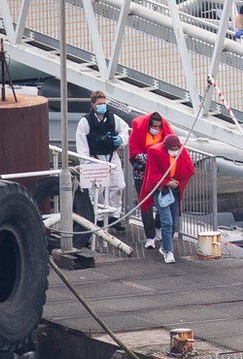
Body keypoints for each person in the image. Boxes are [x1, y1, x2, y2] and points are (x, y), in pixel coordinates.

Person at [75, 91, 129, 231]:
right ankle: (98, 218)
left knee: (118, 185)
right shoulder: (85, 121)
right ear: (93, 105)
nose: (103, 106)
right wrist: (86, 162)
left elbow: (125, 130)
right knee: (95, 191)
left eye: (104, 103)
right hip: (94, 157)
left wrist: (121, 140)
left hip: (111, 156)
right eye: (100, 104)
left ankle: (114, 215)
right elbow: (81, 144)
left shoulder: (112, 118)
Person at [140, 135, 194, 264]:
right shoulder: (155, 152)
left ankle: (165, 244)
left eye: (176, 148)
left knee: (174, 222)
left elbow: (188, 169)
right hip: (160, 190)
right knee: (167, 221)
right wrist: (166, 182)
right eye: (172, 149)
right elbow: (153, 173)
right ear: (166, 147)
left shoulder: (181, 152)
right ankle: (168, 251)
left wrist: (177, 183)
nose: (174, 151)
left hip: (174, 190)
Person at [128, 112, 175, 249]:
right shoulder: (138, 132)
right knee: (145, 204)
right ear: (149, 125)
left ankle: (159, 227)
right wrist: (154, 158)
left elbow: (170, 149)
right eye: (154, 126)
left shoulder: (165, 131)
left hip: (159, 175)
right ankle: (150, 235)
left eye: (158, 127)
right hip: (141, 174)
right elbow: (135, 154)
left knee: (164, 201)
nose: (156, 129)